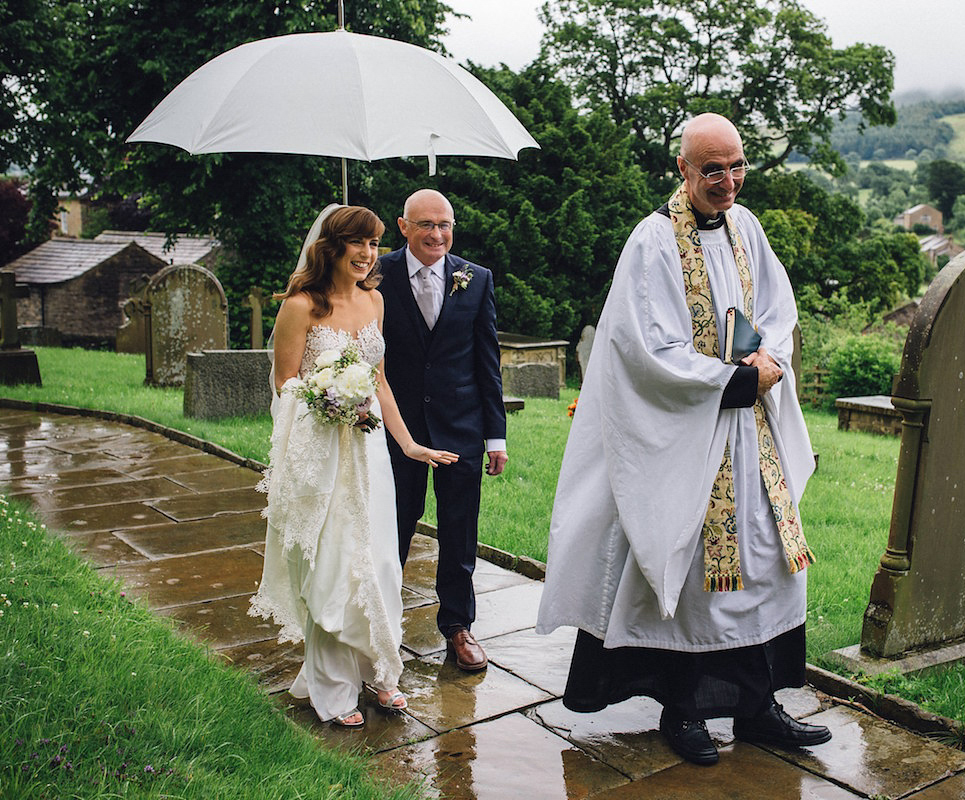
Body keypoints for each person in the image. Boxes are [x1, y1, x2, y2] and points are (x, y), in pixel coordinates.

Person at [535, 113, 831, 765]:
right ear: (683, 170)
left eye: (737, 166)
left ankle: (758, 707)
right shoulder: (653, 242)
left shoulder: (748, 228)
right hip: (688, 436)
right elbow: (644, 347)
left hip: (750, 435)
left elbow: (778, 311)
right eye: (712, 170)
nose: (728, 182)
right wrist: (729, 379)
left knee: (762, 564)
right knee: (696, 573)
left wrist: (771, 361)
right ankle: (686, 710)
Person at [250, 204, 458, 729]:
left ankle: (381, 670)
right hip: (323, 457)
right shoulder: (299, 307)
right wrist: (326, 399)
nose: (368, 254)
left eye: (374, 243)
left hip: (369, 456)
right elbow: (284, 384)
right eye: (358, 243)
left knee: (381, 562)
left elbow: (379, 380)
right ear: (332, 247)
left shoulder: (375, 302)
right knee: (333, 566)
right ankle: (333, 687)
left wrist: (409, 445)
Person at [377, 189, 507, 672]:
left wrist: (496, 436)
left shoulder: (476, 278)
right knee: (393, 524)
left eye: (445, 224)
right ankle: (380, 621)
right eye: (426, 224)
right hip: (397, 430)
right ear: (403, 226)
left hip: (461, 428)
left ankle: (458, 627)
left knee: (459, 532)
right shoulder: (375, 274)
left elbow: (486, 361)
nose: (437, 234)